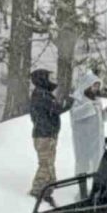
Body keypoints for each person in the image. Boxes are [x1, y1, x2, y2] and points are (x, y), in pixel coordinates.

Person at [28, 69, 72, 198]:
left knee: (49, 162)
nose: (51, 80)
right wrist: (70, 102)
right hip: (44, 135)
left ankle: (49, 187)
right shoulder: (41, 95)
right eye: (48, 77)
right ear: (42, 80)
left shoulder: (43, 94)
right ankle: (37, 191)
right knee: (45, 164)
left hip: (47, 134)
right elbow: (57, 109)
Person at [70, 71, 107, 197]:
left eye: (97, 86)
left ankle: (96, 192)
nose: (96, 89)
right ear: (87, 86)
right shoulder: (79, 100)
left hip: (97, 140)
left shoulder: (97, 100)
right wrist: (91, 106)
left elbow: (100, 118)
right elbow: (75, 115)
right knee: (83, 166)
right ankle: (83, 193)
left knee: (98, 166)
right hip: (83, 140)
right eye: (94, 86)